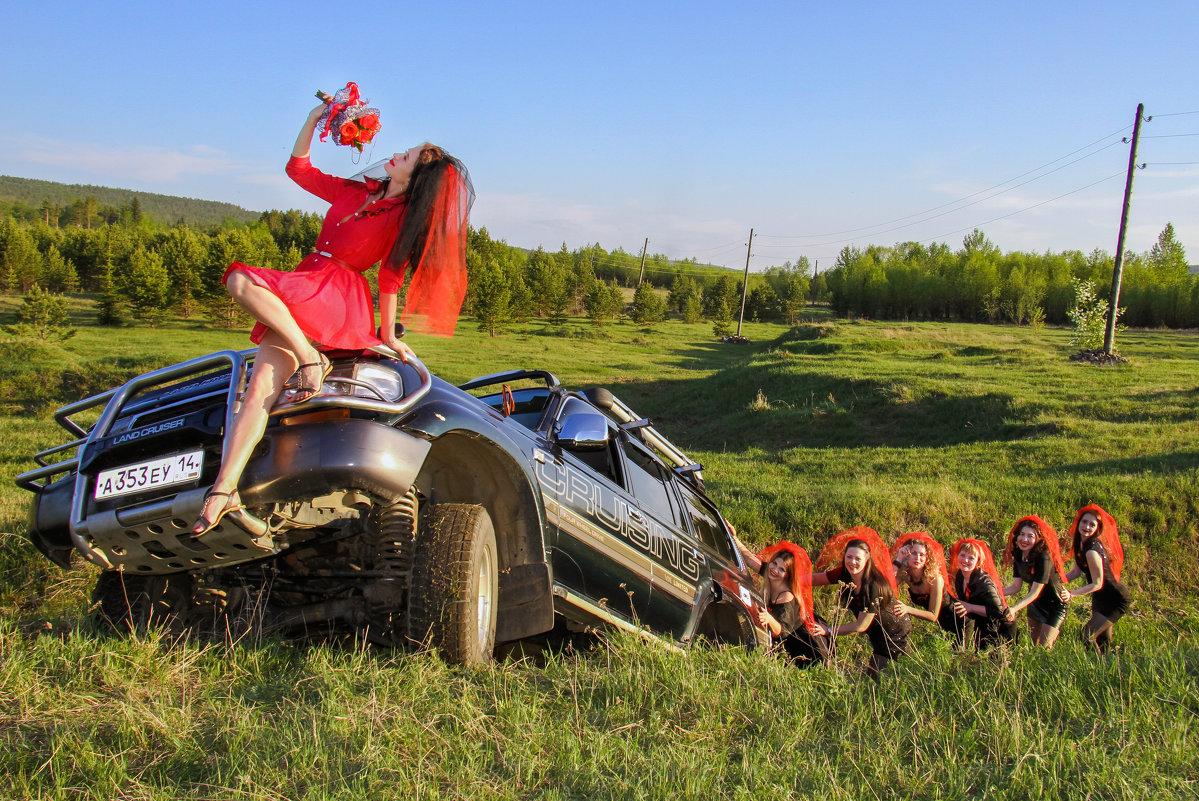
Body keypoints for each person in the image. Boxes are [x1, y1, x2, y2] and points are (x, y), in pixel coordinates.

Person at [192, 99, 473, 536]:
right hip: (309, 278)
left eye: (411, 156)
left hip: (338, 292)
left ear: (415, 178)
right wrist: (312, 119)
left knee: (241, 281)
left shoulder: (402, 220)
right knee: (258, 390)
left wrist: (387, 334)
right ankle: (224, 489)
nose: (399, 153)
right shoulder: (354, 190)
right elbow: (298, 170)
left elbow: (389, 279)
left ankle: (306, 359)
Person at [809, 527, 910, 677]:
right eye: (849, 557)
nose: (852, 562)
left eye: (858, 559)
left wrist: (829, 630)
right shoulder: (845, 574)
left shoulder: (873, 586)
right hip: (876, 632)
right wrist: (786, 578)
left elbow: (861, 625)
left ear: (867, 560)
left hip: (894, 633)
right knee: (875, 678)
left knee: (878, 680)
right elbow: (815, 579)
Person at [738, 540, 832, 668]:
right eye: (774, 563)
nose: (775, 570)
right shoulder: (771, 574)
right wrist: (734, 537)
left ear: (788, 575)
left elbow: (781, 631)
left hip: (802, 648)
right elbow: (749, 559)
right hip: (783, 641)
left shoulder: (787, 596)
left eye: (781, 569)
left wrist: (769, 619)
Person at [1064, 504, 1131, 653]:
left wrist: (1072, 594)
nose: (1086, 527)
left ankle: (1098, 666)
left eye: (1092, 524)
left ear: (1097, 528)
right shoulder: (1080, 544)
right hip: (1100, 598)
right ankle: (1105, 666)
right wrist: (1057, 580)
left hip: (1115, 598)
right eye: (1084, 522)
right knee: (1102, 640)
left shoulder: (1091, 551)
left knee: (1086, 635)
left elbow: (1097, 583)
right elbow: (1076, 572)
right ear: (1078, 522)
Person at [1001, 515, 1070, 648]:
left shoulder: (1044, 557)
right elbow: (1016, 586)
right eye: (1022, 534)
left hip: (1055, 604)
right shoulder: (1019, 554)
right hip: (1035, 603)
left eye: (1030, 536)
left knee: (1044, 648)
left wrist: (1014, 608)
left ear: (1038, 539)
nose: (1024, 539)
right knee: (1035, 646)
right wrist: (996, 593)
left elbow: (1035, 592)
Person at [891, 531, 962, 642]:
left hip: (959, 620)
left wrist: (907, 609)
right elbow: (887, 586)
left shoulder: (935, 580)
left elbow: (933, 616)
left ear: (927, 558)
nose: (918, 558)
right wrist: (899, 559)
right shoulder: (906, 574)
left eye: (922, 555)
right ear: (907, 554)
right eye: (913, 553)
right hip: (942, 625)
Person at [948, 538, 1017, 650]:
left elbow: (997, 611)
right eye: (962, 555)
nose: (965, 560)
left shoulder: (984, 582)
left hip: (1001, 628)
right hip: (983, 626)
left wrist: (970, 607)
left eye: (971, 558)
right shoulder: (960, 576)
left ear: (978, 561)